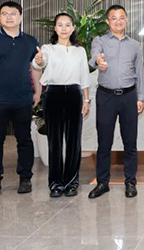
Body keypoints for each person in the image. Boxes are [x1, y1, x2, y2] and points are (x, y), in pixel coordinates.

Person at [0, 1, 42, 196]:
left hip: (23, 98)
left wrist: (38, 91)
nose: (8, 17)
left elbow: (35, 67)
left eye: (13, 13)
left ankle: (25, 178)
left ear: (20, 17)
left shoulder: (30, 41)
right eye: (4, 13)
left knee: (24, 140)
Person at [88, 5, 144, 199]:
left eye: (121, 17)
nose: (118, 21)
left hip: (129, 96)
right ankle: (102, 183)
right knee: (104, 142)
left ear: (126, 19)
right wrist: (99, 61)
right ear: (108, 21)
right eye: (114, 18)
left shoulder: (134, 45)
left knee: (130, 142)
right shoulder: (100, 41)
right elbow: (95, 54)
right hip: (106, 96)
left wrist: (140, 97)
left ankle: (130, 182)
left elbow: (139, 71)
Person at [32, 12, 91, 197]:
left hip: (74, 94)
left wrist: (86, 99)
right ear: (55, 28)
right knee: (55, 141)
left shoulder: (80, 51)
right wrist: (39, 60)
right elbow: (39, 63)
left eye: (67, 25)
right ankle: (56, 184)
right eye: (60, 25)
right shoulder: (48, 49)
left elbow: (84, 76)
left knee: (74, 141)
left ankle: (72, 182)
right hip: (54, 95)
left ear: (73, 28)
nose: (64, 28)